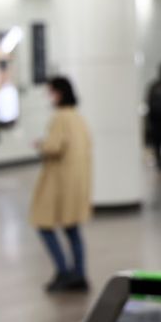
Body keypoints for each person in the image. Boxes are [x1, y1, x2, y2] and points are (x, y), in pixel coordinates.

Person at [31, 76, 92, 292]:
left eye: (50, 92)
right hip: (76, 182)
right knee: (72, 228)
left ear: (59, 93)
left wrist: (41, 145)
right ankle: (79, 273)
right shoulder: (77, 117)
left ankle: (64, 271)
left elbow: (54, 146)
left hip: (59, 182)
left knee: (43, 224)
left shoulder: (60, 118)